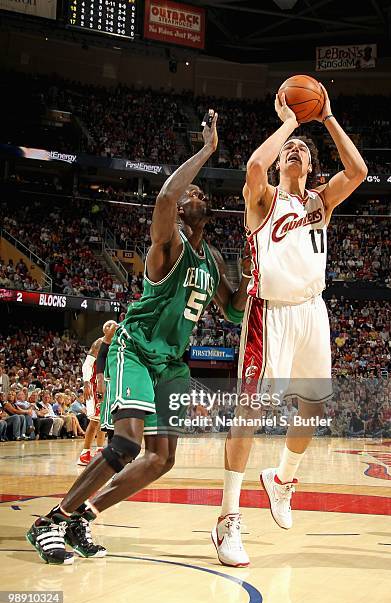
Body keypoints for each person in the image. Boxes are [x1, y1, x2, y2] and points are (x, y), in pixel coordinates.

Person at [27, 109, 251, 565]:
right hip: (137, 349)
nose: (193, 192)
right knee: (126, 443)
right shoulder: (169, 242)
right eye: (189, 190)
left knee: (162, 459)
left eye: (199, 191)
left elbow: (231, 309)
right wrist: (207, 150)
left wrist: (254, 272)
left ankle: (82, 517)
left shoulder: (211, 258)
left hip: (171, 362)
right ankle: (50, 520)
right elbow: (166, 196)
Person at [212, 85, 367, 567]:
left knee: (314, 408)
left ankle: (281, 479)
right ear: (281, 163)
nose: (295, 151)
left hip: (312, 310)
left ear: (312, 168)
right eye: (289, 152)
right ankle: (227, 521)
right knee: (250, 413)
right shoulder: (262, 200)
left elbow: (359, 172)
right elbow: (254, 167)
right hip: (269, 313)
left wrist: (327, 118)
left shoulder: (322, 203)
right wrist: (289, 124)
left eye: (302, 151)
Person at [77, 320, 118, 466]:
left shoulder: (116, 344)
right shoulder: (99, 343)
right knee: (95, 420)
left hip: (107, 385)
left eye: (113, 326)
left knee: (103, 421)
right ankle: (84, 453)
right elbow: (87, 365)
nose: (111, 328)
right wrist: (86, 383)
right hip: (94, 384)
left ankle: (100, 450)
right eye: (108, 326)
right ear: (104, 329)